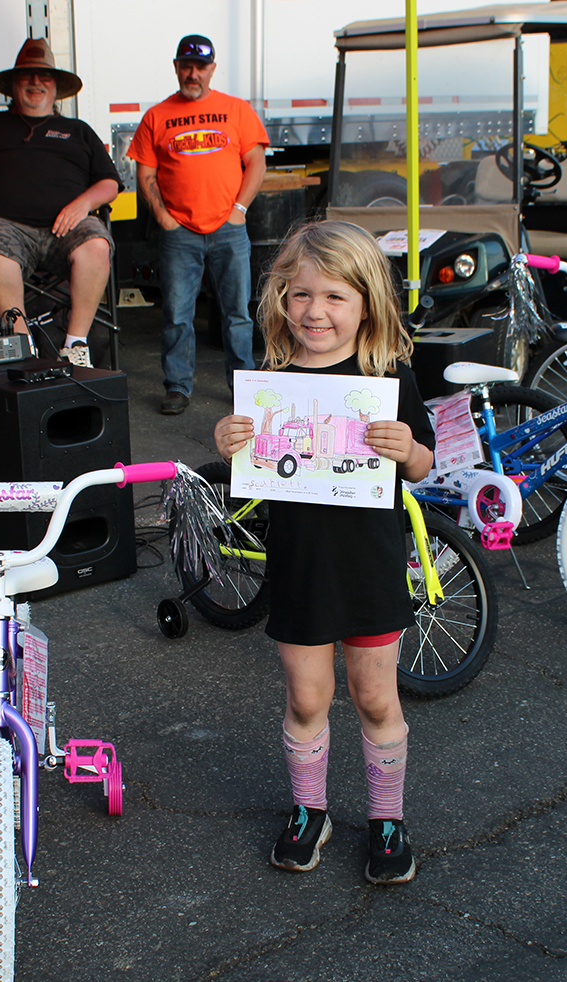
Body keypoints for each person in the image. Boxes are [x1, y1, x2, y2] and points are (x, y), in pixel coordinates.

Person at [213, 221, 435, 882]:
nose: (315, 311)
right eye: (301, 294)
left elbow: (423, 463)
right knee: (307, 698)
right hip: (301, 566)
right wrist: (228, 439)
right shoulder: (271, 380)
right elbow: (248, 469)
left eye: (335, 296)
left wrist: (407, 449)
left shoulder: (388, 376)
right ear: (281, 298)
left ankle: (388, 819)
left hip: (368, 565)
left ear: (367, 303)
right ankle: (310, 811)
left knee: (376, 699)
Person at [0, 38, 123, 366]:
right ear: (13, 84)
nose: (36, 82)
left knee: (97, 243)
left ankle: (76, 345)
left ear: (56, 86)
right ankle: (21, 345)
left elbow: (109, 182)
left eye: (44, 76)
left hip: (68, 227)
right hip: (4, 228)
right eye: (27, 75)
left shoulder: (78, 130)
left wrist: (83, 204)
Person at [128, 35, 269, 414]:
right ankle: (177, 387)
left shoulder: (235, 109)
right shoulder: (157, 116)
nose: (194, 74)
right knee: (177, 316)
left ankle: (243, 388)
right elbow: (145, 173)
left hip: (229, 229)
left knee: (237, 314)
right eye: (186, 66)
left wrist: (239, 209)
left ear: (212, 69)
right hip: (180, 234)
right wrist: (164, 218)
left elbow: (256, 161)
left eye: (201, 67)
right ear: (176, 67)